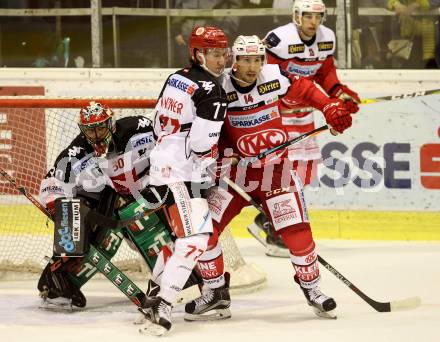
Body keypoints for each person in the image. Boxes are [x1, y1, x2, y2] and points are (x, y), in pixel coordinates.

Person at [183, 35, 357, 321]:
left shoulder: (274, 78)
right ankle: (215, 292)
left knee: (298, 235)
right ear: (233, 61)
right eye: (246, 60)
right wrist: (218, 157)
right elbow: (202, 131)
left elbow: (305, 88)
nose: (253, 67)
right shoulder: (217, 88)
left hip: (275, 172)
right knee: (204, 230)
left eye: (258, 59)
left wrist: (328, 106)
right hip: (235, 176)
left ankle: (312, 288)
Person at [249, 0, 361, 257]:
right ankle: (273, 227)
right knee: (282, 173)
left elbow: (325, 73)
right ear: (297, 16)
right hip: (277, 115)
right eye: (308, 16)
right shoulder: (279, 39)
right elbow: (269, 77)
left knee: (305, 172)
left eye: (318, 17)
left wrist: (339, 94)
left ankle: (264, 219)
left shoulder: (326, 38)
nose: (314, 22)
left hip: (304, 113)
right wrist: (323, 102)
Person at [137, 25, 229, 336]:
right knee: (196, 239)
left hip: (160, 167)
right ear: (198, 53)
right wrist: (210, 165)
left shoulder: (176, 77)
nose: (222, 60)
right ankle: (163, 303)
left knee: (182, 240)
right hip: (183, 174)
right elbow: (203, 145)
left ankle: (152, 297)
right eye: (215, 54)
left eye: (224, 53)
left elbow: (156, 122)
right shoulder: (214, 93)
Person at [37, 101, 156, 309]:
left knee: (158, 230)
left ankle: (179, 274)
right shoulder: (75, 154)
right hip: (108, 200)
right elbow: (51, 184)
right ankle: (56, 282)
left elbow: (169, 144)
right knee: (72, 214)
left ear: (111, 123)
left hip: (144, 191)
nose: (96, 135)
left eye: (101, 127)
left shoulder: (139, 128)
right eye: (90, 131)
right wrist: (56, 206)